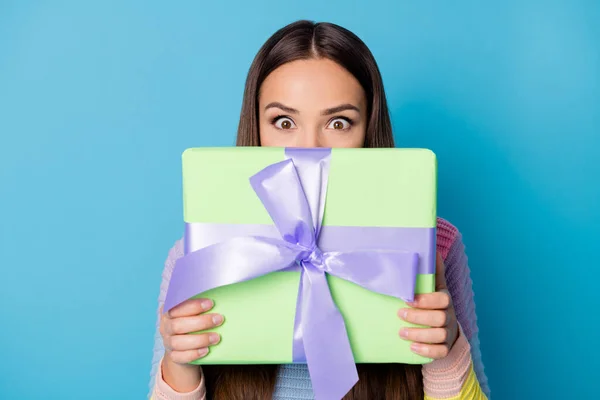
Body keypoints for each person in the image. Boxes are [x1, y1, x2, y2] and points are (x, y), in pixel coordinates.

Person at [148, 20, 490, 400]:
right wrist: (180, 363)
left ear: (368, 132)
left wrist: (444, 350)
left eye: (338, 122)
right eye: (284, 121)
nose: (309, 148)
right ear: (256, 129)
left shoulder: (436, 245)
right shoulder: (202, 256)